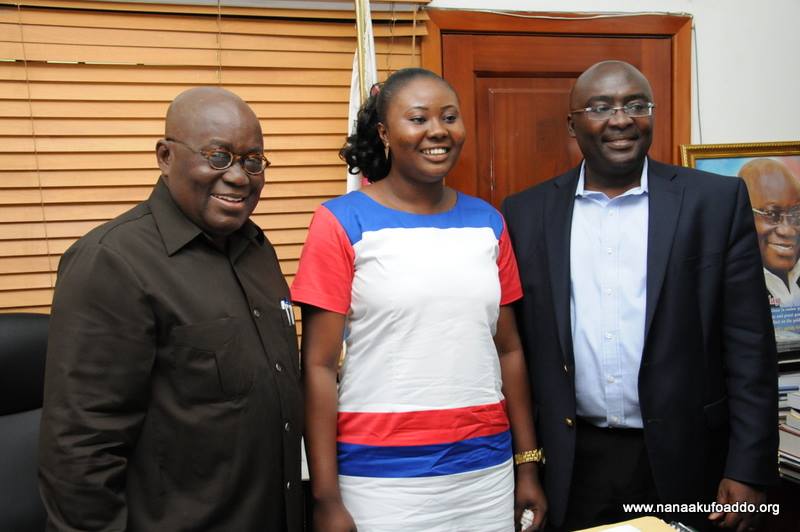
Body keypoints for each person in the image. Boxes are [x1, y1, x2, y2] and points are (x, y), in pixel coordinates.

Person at [501, 61, 778, 531]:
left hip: (692, 461)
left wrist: (747, 469)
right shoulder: (526, 212)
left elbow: (751, 347)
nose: (621, 118)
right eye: (601, 107)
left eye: (636, 104)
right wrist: (526, 463)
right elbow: (518, 350)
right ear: (573, 124)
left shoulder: (715, 201)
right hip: (572, 462)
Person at [291, 68, 547, 531]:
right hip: (379, 481)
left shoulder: (488, 223)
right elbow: (319, 367)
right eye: (418, 118)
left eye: (449, 117)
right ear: (385, 133)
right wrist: (326, 498)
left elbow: (508, 350)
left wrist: (526, 464)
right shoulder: (340, 222)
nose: (437, 131)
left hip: (484, 473)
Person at [38, 87, 303, 531]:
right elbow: (79, 450)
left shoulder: (257, 248)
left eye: (253, 161)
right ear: (165, 156)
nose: (239, 176)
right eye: (218, 156)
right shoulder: (111, 262)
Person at [739, 158, 800, 306]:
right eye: (772, 215)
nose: (788, 231)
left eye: (796, 214)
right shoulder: (733, 284)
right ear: (742, 214)